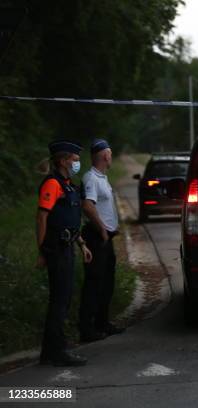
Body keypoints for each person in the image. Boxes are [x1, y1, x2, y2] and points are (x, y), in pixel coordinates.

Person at [37, 140, 92, 366]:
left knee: (63, 299)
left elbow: (68, 221)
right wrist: (42, 251)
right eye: (75, 160)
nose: (77, 163)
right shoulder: (52, 184)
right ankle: (56, 352)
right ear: (63, 161)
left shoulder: (68, 184)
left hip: (68, 246)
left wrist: (82, 244)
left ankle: (50, 351)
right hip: (56, 250)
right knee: (59, 301)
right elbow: (42, 217)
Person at [79, 138, 125, 342]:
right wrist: (103, 230)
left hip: (106, 238)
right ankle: (87, 329)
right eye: (111, 153)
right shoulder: (91, 179)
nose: (111, 157)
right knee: (94, 283)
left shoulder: (102, 177)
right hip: (96, 237)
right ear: (105, 155)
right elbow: (88, 206)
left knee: (107, 282)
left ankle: (102, 323)